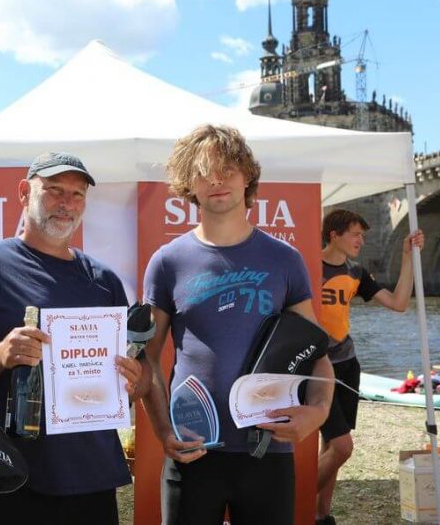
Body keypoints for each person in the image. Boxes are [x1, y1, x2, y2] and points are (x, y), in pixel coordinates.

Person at [140, 124, 334, 524]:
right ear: (187, 184)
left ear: (248, 177)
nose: (216, 180)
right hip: (193, 447)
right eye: (202, 171)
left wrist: (317, 412)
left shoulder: (284, 259)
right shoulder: (167, 262)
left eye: (227, 169)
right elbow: (148, 358)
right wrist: (163, 431)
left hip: (267, 446)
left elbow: (315, 352)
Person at [0, 152, 142, 525]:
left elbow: (139, 380)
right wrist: (1, 354)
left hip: (91, 481)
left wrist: (131, 377)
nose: (66, 204)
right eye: (53, 191)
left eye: (77, 194)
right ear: (24, 192)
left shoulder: (104, 280)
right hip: (5, 478)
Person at [315, 209, 424, 525]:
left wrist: (407, 257)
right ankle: (293, 506)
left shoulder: (356, 272)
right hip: (316, 367)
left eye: (362, 235)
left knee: (332, 444)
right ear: (334, 235)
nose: (361, 241)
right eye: (355, 234)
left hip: (347, 365)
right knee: (342, 447)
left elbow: (399, 303)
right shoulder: (307, 265)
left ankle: (321, 515)